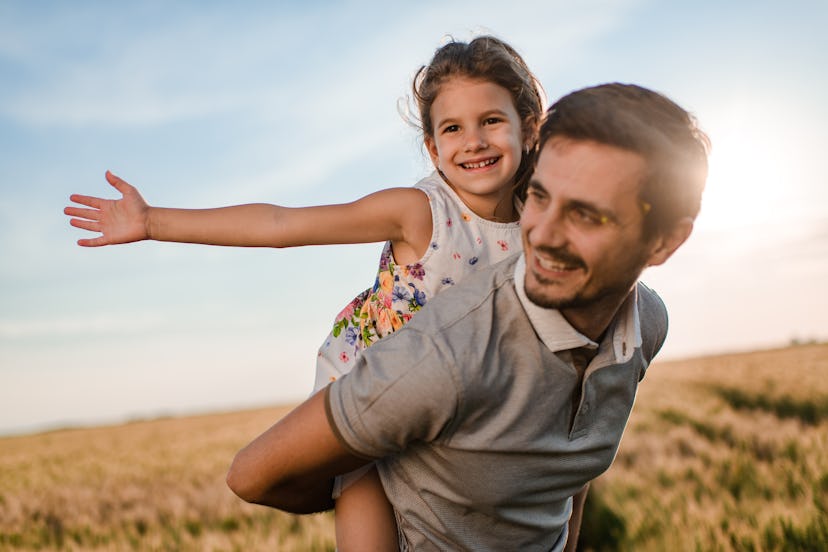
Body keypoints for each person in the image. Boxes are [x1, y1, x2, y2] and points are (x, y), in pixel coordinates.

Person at [64, 35, 545, 551]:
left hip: (459, 400)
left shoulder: (542, 224)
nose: (472, 141)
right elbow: (281, 224)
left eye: (491, 121)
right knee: (363, 515)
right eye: (453, 128)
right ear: (432, 147)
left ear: (528, 128)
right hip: (369, 391)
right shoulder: (418, 210)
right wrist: (153, 221)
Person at [224, 82, 710, 551]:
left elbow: (569, 475)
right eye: (540, 198)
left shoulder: (647, 322)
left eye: (586, 214)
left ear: (667, 241)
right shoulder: (440, 352)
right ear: (432, 149)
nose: (541, 235)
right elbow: (282, 225)